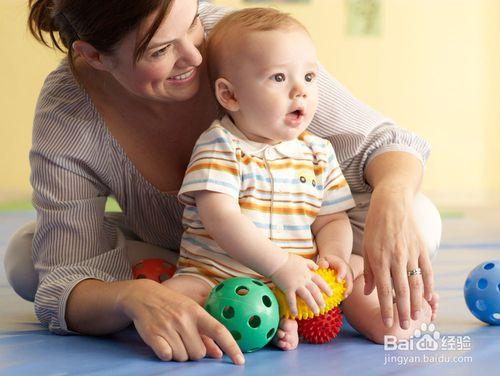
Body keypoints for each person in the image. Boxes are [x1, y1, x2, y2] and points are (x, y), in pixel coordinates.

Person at [4, 0, 441, 364]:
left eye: (192, 20)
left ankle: (289, 299)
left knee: (417, 215)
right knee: (27, 258)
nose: (196, 57)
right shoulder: (68, 112)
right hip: (193, 256)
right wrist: (129, 298)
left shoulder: (242, 41)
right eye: (159, 51)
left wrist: (390, 200)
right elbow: (62, 274)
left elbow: (383, 141)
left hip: (293, 241)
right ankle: (179, 295)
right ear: (95, 56)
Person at [165, 8, 356, 351]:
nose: (300, 91)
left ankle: (286, 319)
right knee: (176, 297)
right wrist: (279, 264)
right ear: (230, 96)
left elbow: (332, 218)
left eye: (310, 77)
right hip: (214, 278)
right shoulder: (221, 145)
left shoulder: (318, 152)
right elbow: (220, 217)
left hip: (290, 283)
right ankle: (227, 323)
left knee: (347, 281)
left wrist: (335, 253)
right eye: (279, 78)